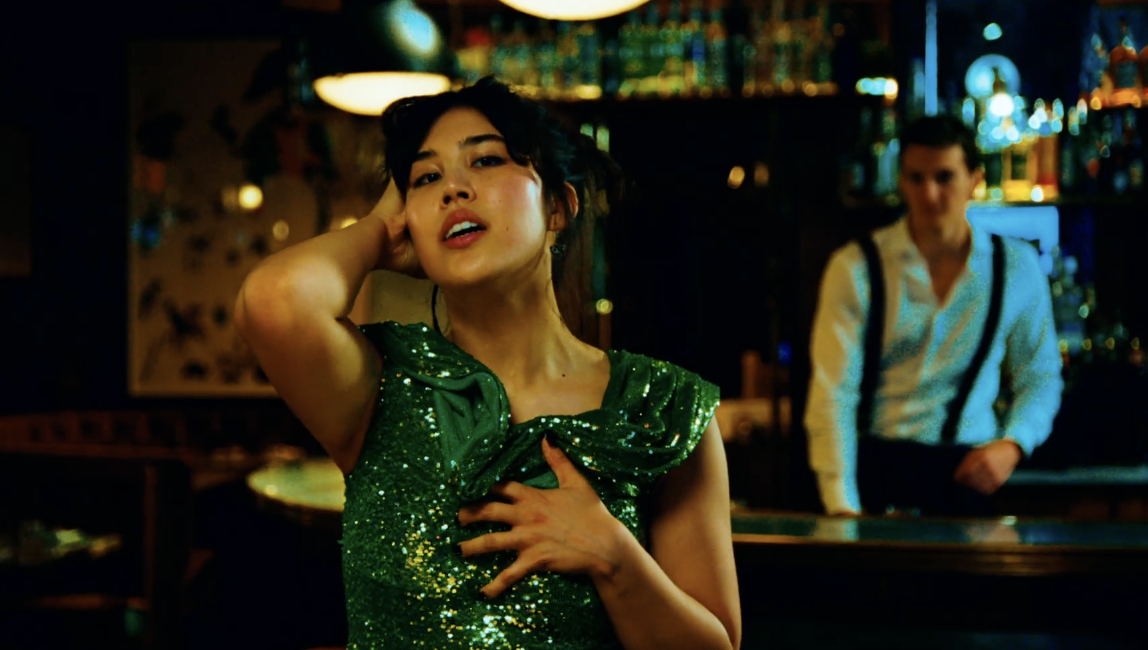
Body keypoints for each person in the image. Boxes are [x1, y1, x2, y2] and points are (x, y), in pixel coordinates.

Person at [234, 78, 740, 650]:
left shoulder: (664, 409)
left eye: (487, 160)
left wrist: (614, 556)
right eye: (425, 178)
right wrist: (378, 231)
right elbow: (275, 301)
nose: (453, 188)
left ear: (558, 207)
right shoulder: (380, 383)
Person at [805, 114, 1063, 517]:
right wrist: (841, 506)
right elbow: (832, 394)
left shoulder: (1015, 267)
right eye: (916, 178)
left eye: (944, 177)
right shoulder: (856, 268)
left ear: (975, 180)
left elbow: (1040, 375)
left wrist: (1013, 445)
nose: (928, 194)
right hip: (876, 467)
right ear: (901, 181)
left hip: (968, 468)